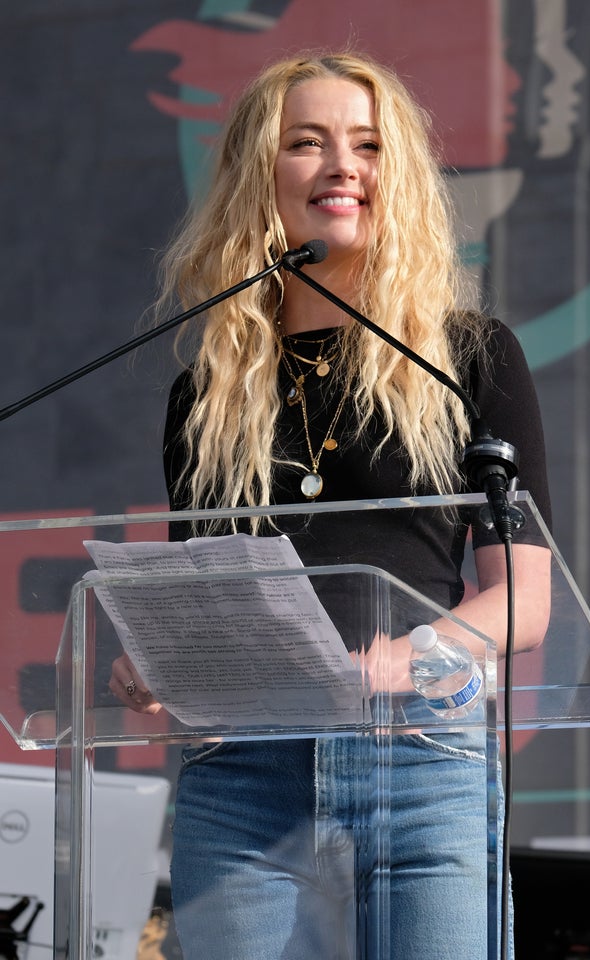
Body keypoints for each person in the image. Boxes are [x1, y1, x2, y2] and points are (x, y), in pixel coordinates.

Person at [110, 50, 552, 959]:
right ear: (258, 178)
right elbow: (206, 594)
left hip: (423, 758)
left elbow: (526, 600)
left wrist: (401, 658)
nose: (342, 165)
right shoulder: (209, 392)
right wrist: (159, 662)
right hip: (243, 775)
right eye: (306, 143)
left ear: (399, 179)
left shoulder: (469, 357)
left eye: (368, 145)